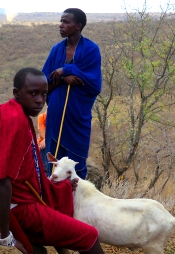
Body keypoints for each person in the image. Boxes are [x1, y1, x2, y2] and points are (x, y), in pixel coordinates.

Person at [0, 68, 158, 254]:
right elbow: (2, 181)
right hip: (17, 206)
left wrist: (55, 184)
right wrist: (5, 236)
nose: (39, 100)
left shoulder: (12, 112)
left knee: (62, 192)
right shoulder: (14, 121)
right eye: (33, 93)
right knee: (88, 234)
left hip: (24, 192)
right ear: (17, 93)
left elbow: (20, 171)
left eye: (44, 94)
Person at [42, 8, 101, 179]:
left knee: (76, 163)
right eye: (61, 21)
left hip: (77, 116)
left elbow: (93, 84)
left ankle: (75, 200)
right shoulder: (56, 50)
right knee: (54, 162)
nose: (60, 25)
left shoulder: (91, 50)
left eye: (66, 22)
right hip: (56, 114)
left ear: (78, 26)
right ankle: (53, 199)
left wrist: (66, 69)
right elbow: (44, 82)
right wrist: (63, 78)